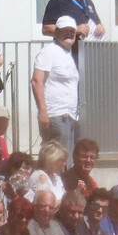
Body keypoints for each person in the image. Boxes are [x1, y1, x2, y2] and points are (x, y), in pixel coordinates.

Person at [33, 21, 81, 152]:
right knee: (56, 159)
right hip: (56, 116)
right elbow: (37, 81)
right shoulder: (49, 52)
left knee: (65, 159)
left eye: (72, 31)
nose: (69, 34)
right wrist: (43, 113)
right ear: (56, 32)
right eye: (65, 30)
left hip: (70, 116)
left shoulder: (67, 54)